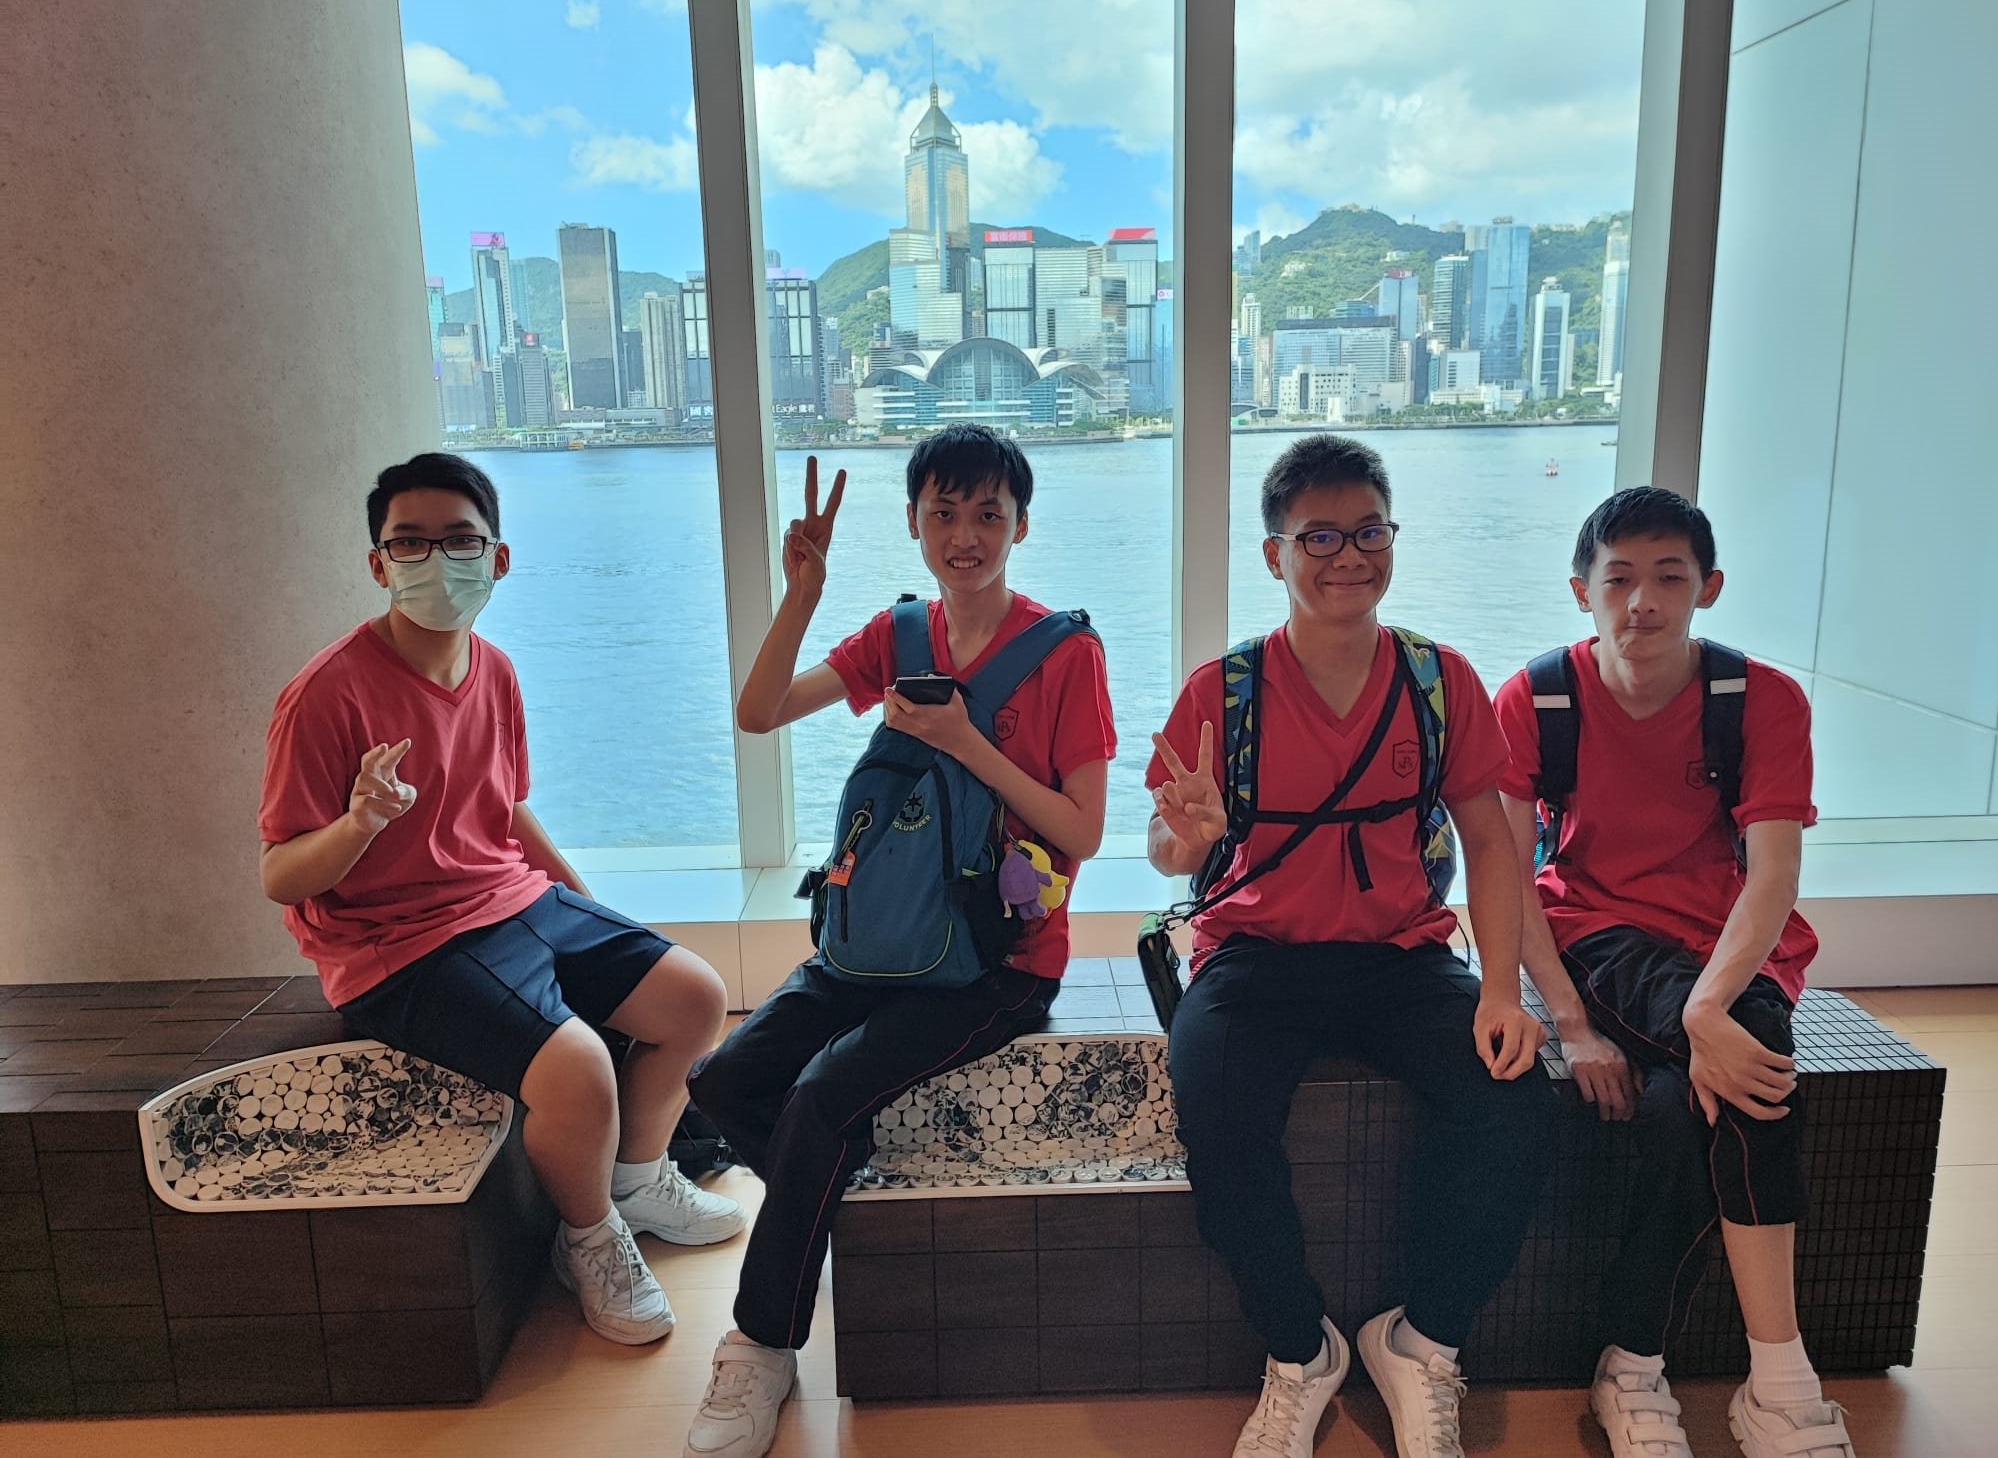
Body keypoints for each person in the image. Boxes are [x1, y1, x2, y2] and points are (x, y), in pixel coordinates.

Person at [680, 425, 1115, 1458]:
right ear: (914, 521)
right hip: (873, 943)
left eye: (988, 514)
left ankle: (761, 1344)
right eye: (943, 513)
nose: (966, 536)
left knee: (820, 1099)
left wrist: (964, 740)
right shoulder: (899, 632)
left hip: (997, 966)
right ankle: (827, 1204)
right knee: (723, 1081)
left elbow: (1083, 829)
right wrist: (803, 592)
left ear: (1020, 525)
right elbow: (759, 713)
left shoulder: (1066, 653)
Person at [257, 452, 744, 1348]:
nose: (435, 562)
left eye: (459, 541)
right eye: (409, 543)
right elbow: (281, 874)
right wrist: (361, 823)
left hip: (508, 898)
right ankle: (587, 1238)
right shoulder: (326, 694)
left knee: (694, 997)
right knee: (578, 1068)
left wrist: (596, 916)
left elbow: (508, 811)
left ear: (498, 558)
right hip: (397, 946)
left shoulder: (496, 670)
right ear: (378, 564)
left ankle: (636, 1183)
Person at [1147, 434, 1554, 1458]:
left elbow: (1489, 843)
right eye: (1318, 537)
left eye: (1369, 532)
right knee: (1215, 1111)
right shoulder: (1223, 691)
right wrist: (1186, 836)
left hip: (1400, 957)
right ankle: (1300, 1351)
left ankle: (1422, 1341)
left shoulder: (1436, 679)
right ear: (1274, 554)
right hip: (1254, 955)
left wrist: (1500, 991)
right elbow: (1166, 847)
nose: (1348, 557)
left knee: (1512, 1099)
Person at [1494, 487, 1855, 1458]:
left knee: (1679, 1108)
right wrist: (1571, 1025)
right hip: (1601, 932)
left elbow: (1772, 876)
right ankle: (1783, 1383)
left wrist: (1704, 1010)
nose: (1641, 602)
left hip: (1728, 944)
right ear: (1582, 590)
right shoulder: (1537, 698)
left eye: (1668, 578)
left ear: (1709, 587)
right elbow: (1507, 878)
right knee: (1757, 1067)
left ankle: (1634, 1365)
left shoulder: (1759, 699)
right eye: (1618, 579)